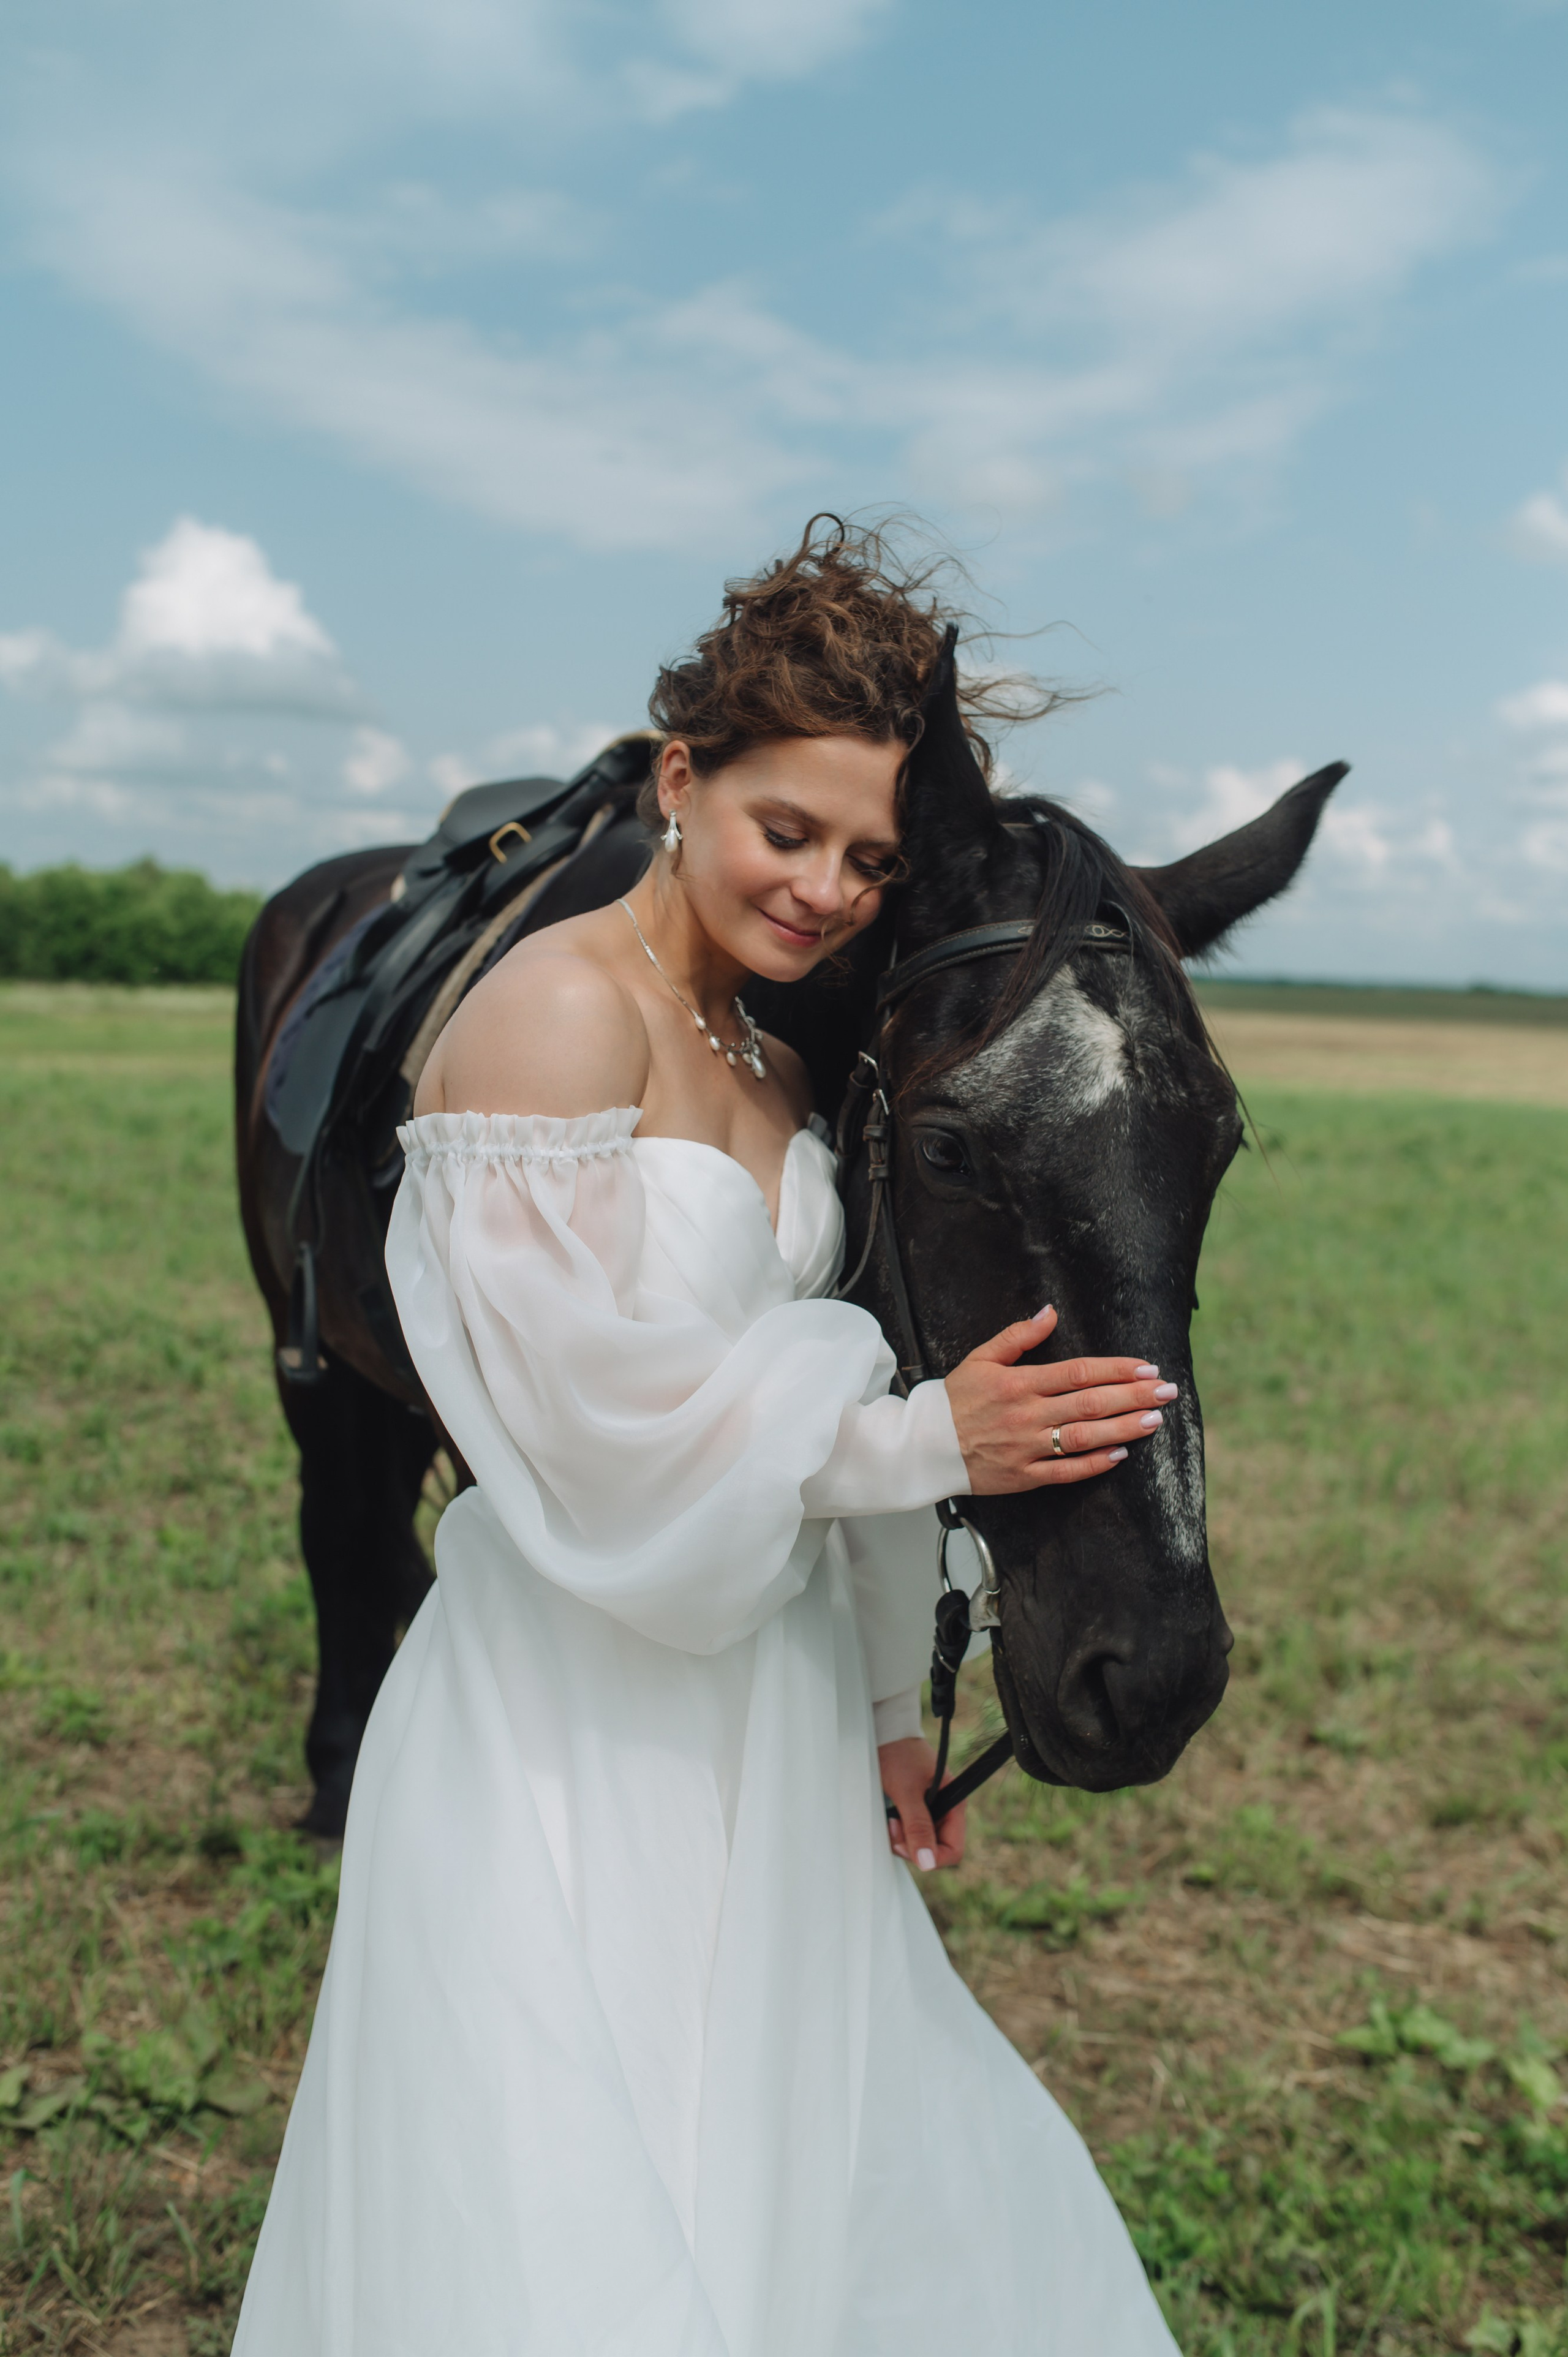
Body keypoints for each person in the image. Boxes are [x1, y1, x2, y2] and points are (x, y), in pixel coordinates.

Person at [233, 524, 1181, 2355]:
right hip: (568, 1712)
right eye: (788, 830)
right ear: (684, 781)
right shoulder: (544, 1023)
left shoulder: (777, 1065)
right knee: (571, 2191)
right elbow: (598, 1452)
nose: (827, 890)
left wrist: (895, 1717)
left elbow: (802, 1366)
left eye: (872, 860)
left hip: (768, 1694)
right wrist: (928, 1441)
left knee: (792, 2152)